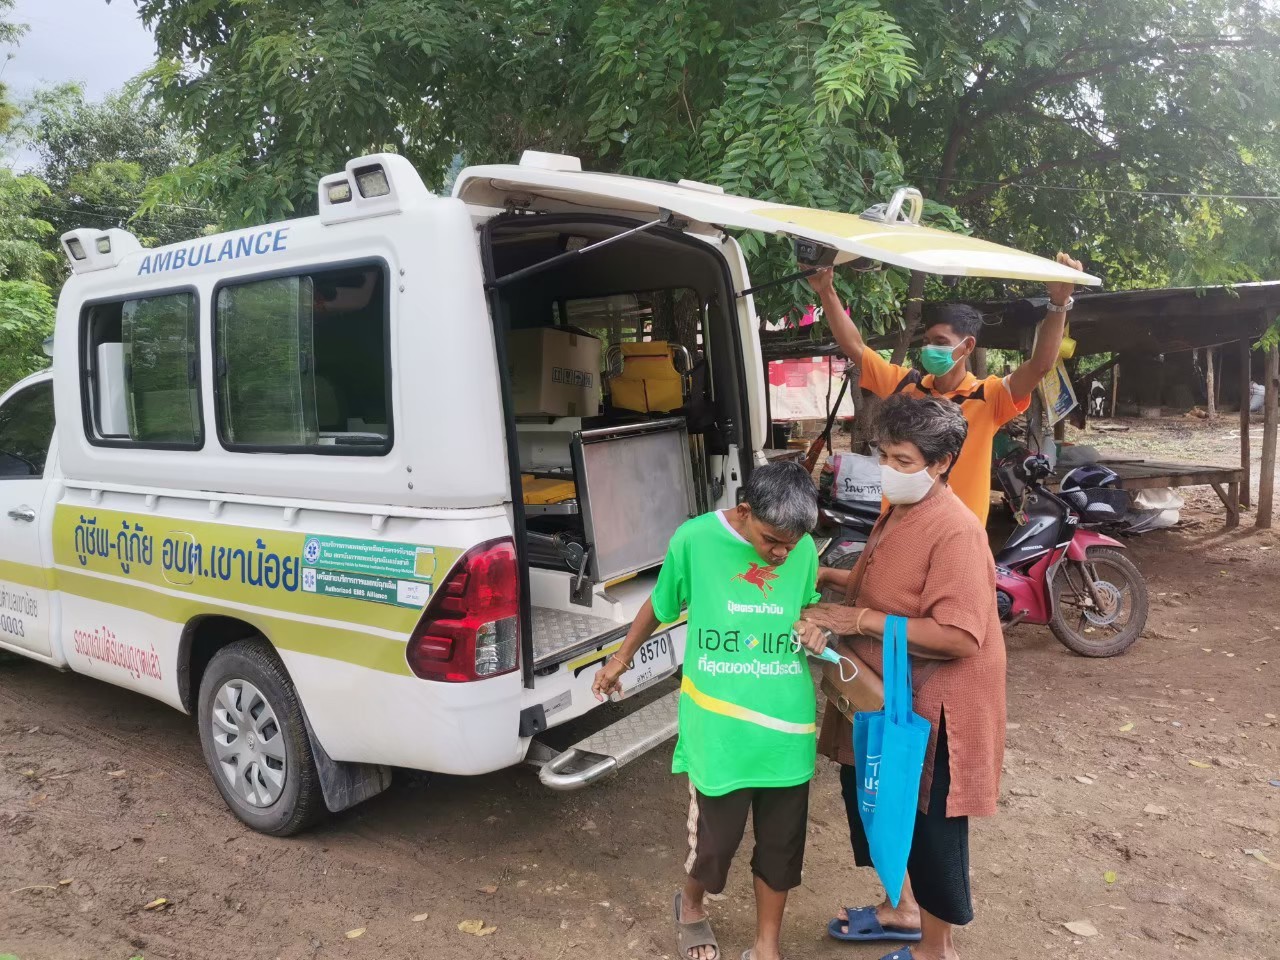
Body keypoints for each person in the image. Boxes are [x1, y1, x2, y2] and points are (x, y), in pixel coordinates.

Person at [794, 394, 1007, 960]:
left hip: (934, 706)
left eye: (904, 460)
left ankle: (936, 951)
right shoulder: (900, 508)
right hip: (887, 694)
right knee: (886, 806)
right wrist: (815, 573)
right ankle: (902, 909)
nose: (888, 469)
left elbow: (961, 634)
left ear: (942, 463)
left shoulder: (956, 530)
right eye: (883, 455)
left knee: (929, 824)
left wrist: (854, 618)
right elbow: (879, 580)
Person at [592, 461, 826, 960]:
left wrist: (814, 625)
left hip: (787, 725)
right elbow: (660, 603)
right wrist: (619, 659)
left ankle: (768, 946)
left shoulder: (800, 548)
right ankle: (692, 905)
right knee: (715, 845)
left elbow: (806, 605)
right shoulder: (694, 540)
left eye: (792, 543)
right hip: (719, 726)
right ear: (744, 511)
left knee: (781, 848)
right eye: (772, 541)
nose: (783, 553)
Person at [807, 255, 1083, 524]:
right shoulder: (906, 385)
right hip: (901, 525)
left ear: (968, 346)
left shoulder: (989, 395)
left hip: (957, 534)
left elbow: (1040, 365)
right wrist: (826, 290)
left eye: (940, 341)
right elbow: (856, 347)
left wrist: (1059, 304)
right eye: (926, 340)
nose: (929, 348)